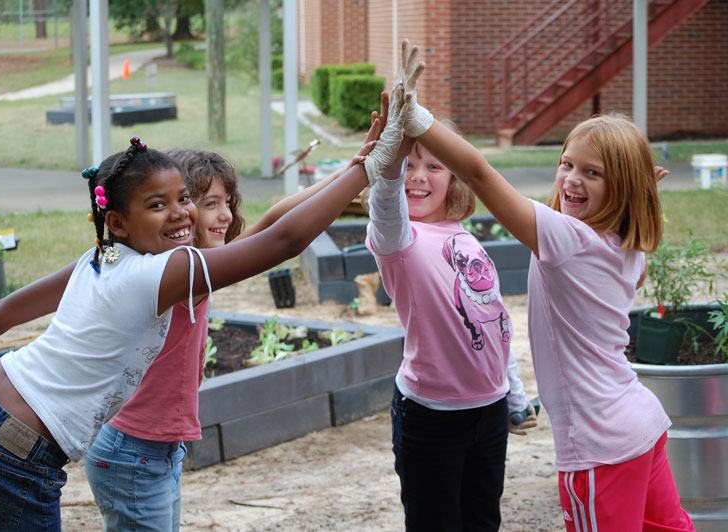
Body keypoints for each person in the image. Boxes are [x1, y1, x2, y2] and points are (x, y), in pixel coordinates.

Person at [0, 93, 409, 531]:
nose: (182, 213)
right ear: (116, 222)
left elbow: (11, 307)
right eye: (158, 205)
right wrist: (369, 168)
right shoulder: (158, 274)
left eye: (184, 199)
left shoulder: (102, 259)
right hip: (16, 448)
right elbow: (284, 241)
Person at [396, 41, 693, 531]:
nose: (572, 179)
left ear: (621, 186)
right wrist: (635, 189)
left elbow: (480, 173)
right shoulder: (624, 243)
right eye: (567, 164)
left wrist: (418, 120)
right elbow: (621, 223)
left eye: (592, 173)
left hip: (600, 447)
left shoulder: (568, 239)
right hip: (642, 424)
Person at [81, 140, 380, 531]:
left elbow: (272, 220)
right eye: (209, 204)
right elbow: (283, 238)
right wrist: (359, 175)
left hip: (146, 448)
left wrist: (345, 172)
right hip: (135, 452)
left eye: (227, 202)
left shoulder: (191, 266)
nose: (224, 215)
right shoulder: (180, 272)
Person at [366, 109, 536, 530]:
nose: (418, 175)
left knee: (482, 521)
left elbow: (492, 321)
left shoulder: (463, 235)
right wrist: (390, 160)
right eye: (409, 164)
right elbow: (387, 209)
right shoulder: (399, 241)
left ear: (454, 177)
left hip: (490, 411)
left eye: (434, 165)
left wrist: (514, 395)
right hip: (431, 416)